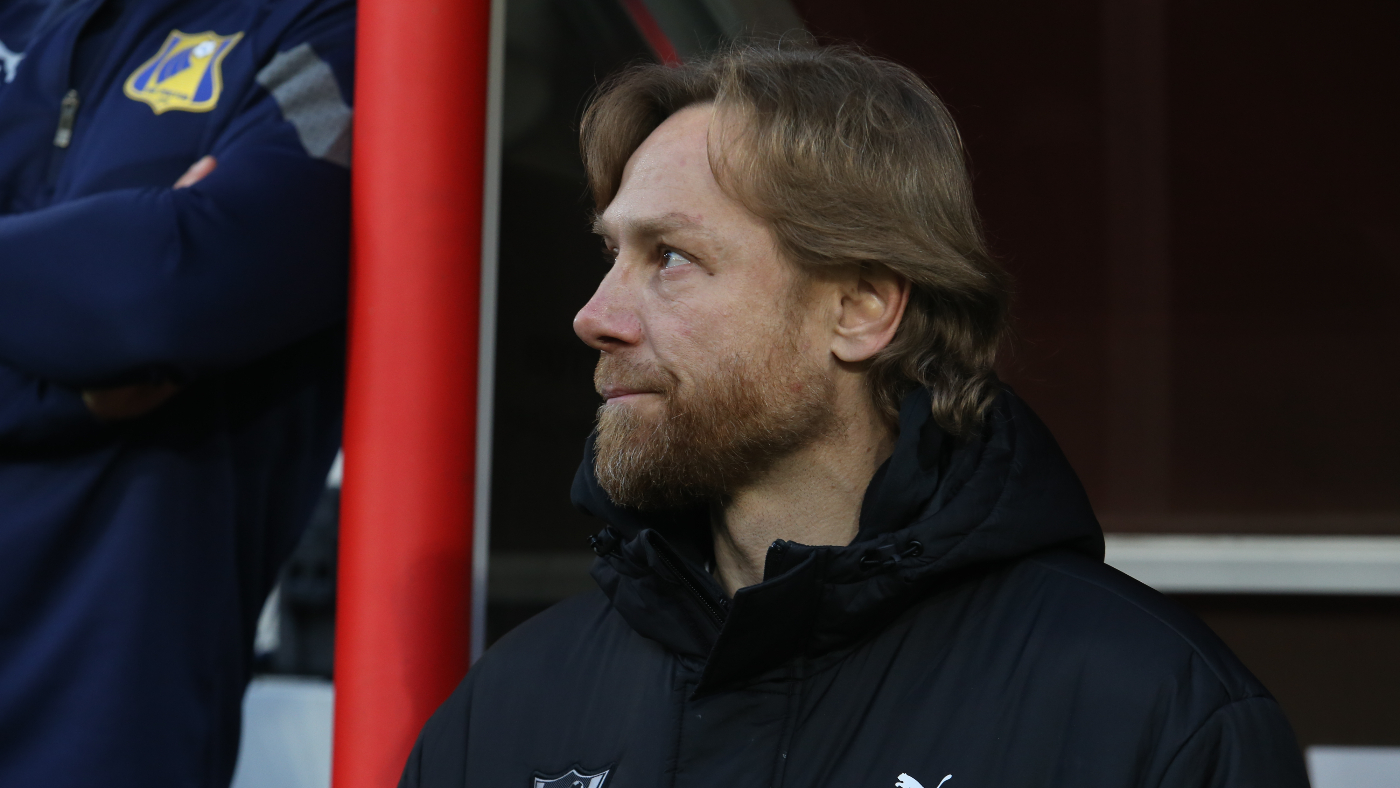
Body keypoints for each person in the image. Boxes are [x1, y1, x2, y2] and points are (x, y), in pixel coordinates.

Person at [400, 44, 1309, 788]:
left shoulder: (1152, 714)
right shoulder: (509, 710)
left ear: (861, 308)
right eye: (612, 256)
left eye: (670, 256)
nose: (594, 315)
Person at [0, 0, 353, 785]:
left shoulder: (325, 34)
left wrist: (130, 278)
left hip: (104, 731)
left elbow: (161, 291)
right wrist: (65, 385)